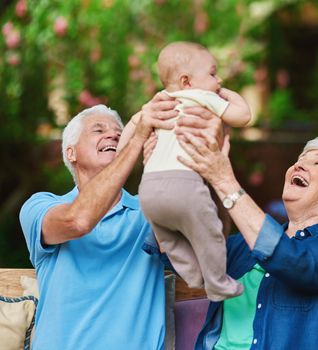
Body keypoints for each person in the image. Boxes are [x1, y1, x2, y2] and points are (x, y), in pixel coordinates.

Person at [18, 94, 222, 350]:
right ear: (71, 153)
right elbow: (77, 221)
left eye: (119, 133)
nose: (113, 136)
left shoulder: (148, 211)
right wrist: (135, 140)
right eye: (98, 130)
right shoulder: (41, 207)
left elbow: (203, 261)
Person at [174, 133, 318, 349]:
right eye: (300, 159)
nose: (299, 166)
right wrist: (186, 175)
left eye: (317, 162)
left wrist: (225, 181)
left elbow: (296, 262)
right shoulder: (242, 245)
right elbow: (177, 251)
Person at [118, 41, 251, 301]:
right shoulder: (203, 97)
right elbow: (243, 116)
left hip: (149, 190)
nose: (219, 79)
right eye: (213, 74)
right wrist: (226, 95)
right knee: (208, 231)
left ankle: (192, 275)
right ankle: (217, 282)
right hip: (185, 186)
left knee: (169, 238)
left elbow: (131, 131)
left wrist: (128, 147)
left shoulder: (158, 104)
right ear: (187, 81)